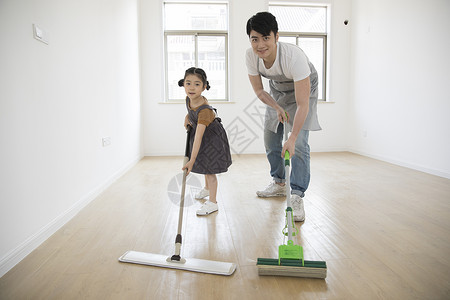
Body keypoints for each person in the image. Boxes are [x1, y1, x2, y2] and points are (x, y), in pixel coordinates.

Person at [245, 12, 321, 222]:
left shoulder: (293, 57)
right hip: (276, 92)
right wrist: (277, 107)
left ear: (276, 36)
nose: (260, 45)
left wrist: (293, 137)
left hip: (304, 91)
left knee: (300, 145)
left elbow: (303, 103)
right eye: (254, 39)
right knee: (270, 138)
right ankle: (279, 183)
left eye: (266, 38)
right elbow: (260, 92)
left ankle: (296, 194)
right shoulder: (251, 57)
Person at [179, 67, 232, 216]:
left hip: (212, 139)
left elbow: (198, 137)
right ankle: (207, 189)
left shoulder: (204, 111)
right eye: (188, 83)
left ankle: (213, 202)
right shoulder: (189, 99)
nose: (191, 87)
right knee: (204, 163)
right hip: (202, 135)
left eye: (197, 84)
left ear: (204, 87)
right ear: (183, 84)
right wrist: (187, 117)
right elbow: (191, 111)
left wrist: (191, 160)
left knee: (210, 170)